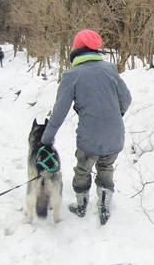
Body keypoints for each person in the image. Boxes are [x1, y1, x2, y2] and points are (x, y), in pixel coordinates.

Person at [40, 29, 132, 225]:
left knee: (83, 169)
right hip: (115, 135)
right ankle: (104, 204)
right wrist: (117, 115)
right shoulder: (110, 69)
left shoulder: (72, 75)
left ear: (77, 50)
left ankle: (81, 206)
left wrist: (46, 139)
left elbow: (58, 113)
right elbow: (126, 99)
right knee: (106, 166)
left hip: (89, 138)